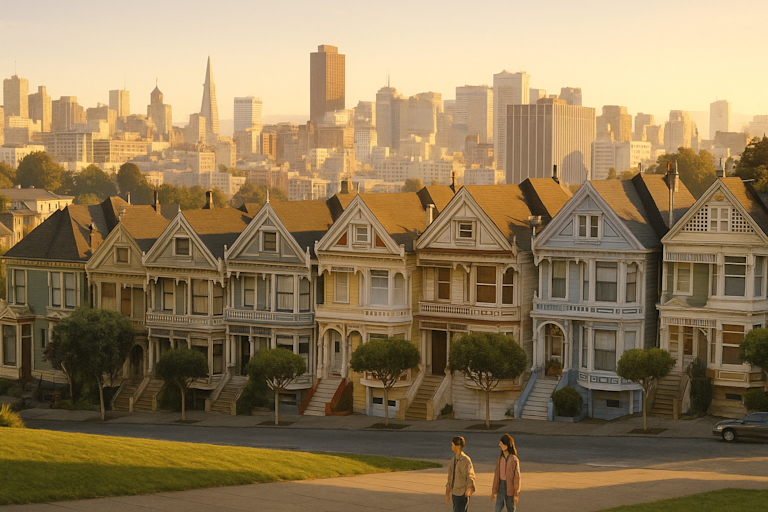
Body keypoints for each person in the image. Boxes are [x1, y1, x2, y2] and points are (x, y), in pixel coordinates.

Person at [490, 433, 521, 511]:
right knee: (498, 507)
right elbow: (496, 476)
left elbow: (517, 478)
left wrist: (516, 494)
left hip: (510, 487)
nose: (500, 445)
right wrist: (493, 491)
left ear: (507, 445)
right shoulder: (500, 459)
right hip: (501, 486)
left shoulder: (513, 460)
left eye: (501, 443)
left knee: (510, 507)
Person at [445, 435, 476, 512]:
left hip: (463, 493)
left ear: (458, 446)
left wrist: (469, 489)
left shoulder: (466, 460)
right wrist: (448, 492)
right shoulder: (453, 460)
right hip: (455, 492)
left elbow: (470, 476)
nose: (451, 447)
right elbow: (450, 477)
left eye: (452, 445)